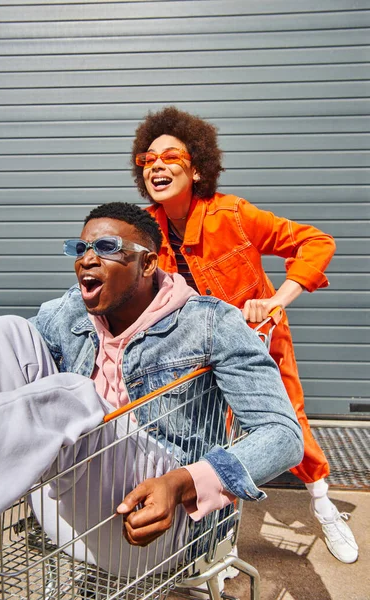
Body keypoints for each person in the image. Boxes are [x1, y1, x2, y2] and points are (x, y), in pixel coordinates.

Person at [0, 203, 303, 594]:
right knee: (0, 331)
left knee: (74, 395)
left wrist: (181, 483)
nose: (86, 259)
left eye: (106, 247)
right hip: (64, 505)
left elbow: (284, 436)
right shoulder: (69, 311)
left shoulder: (211, 323)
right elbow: (8, 371)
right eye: (80, 249)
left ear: (147, 264)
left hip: (158, 519)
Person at [131, 106, 359, 564]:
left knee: (290, 424)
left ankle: (321, 503)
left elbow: (315, 242)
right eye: (147, 159)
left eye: (170, 156)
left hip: (259, 343)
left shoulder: (232, 215)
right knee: (212, 437)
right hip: (194, 356)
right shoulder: (144, 228)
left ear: (195, 169)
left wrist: (278, 301)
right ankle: (221, 540)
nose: (156, 165)